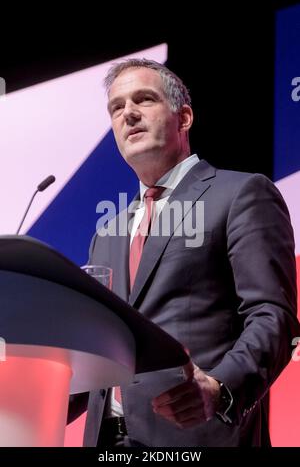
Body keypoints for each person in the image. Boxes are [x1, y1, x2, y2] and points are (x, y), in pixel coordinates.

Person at [68, 59, 300, 447]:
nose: (129, 113)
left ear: (184, 117)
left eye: (144, 99)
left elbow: (271, 315)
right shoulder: (106, 233)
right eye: (117, 107)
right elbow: (95, 350)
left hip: (197, 436)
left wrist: (220, 389)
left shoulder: (241, 194)